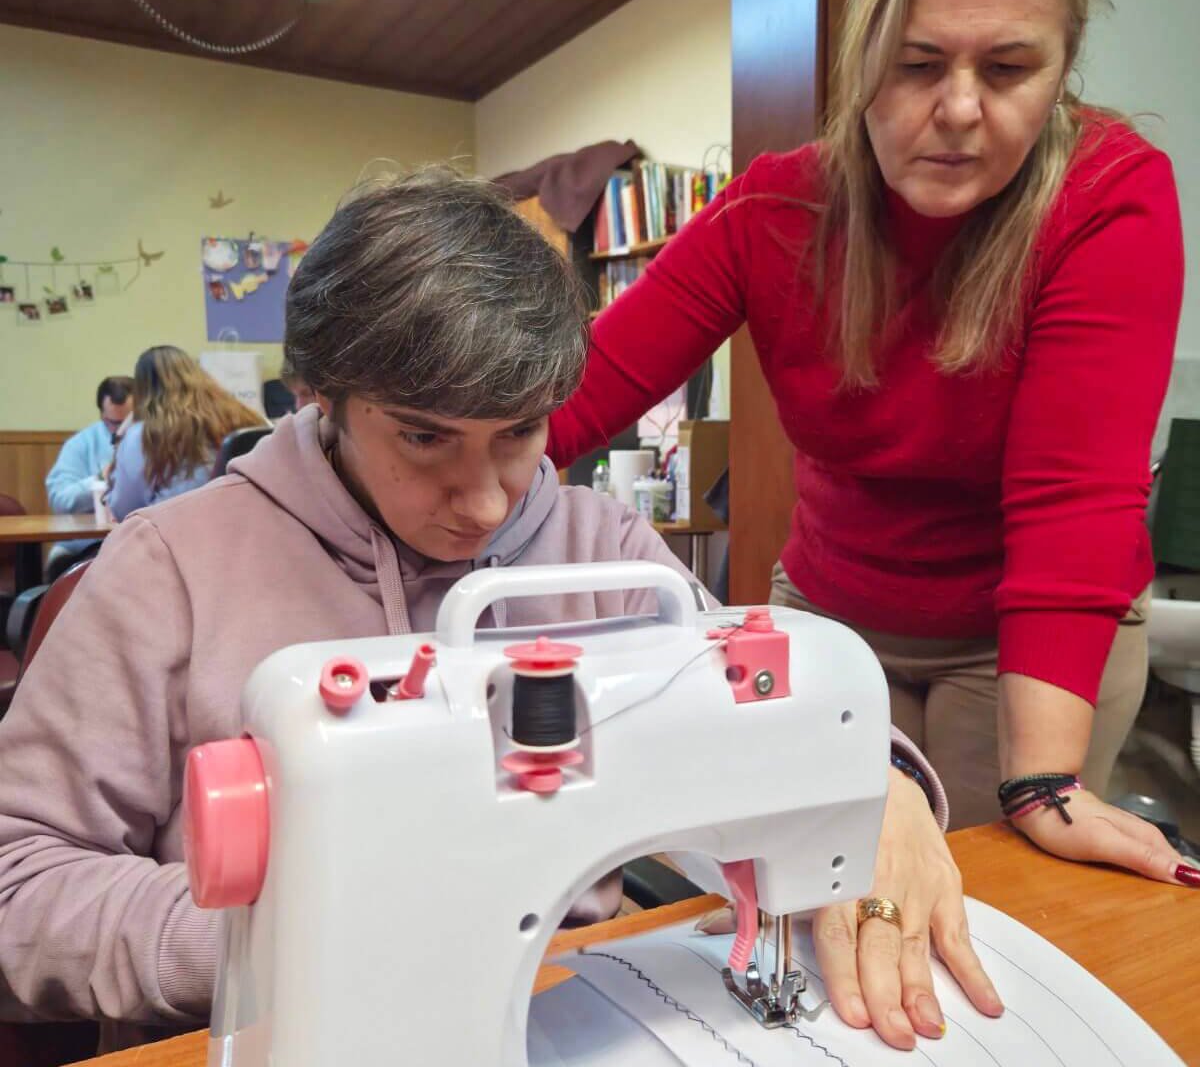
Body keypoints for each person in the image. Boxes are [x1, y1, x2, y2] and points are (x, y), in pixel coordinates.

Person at [0, 167, 960, 1053]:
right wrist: (265, 941)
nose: (492, 501)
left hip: (571, 1010)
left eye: (520, 434)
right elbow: (18, 877)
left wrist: (880, 778)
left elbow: (763, 697)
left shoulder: (605, 550)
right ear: (321, 396)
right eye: (425, 437)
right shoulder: (170, 571)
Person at [547, 0, 1195, 1049]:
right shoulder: (769, 216)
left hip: (1026, 643)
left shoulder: (1110, 199)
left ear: (1062, 70)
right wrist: (390, 448)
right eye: (917, 64)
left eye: (1009, 70)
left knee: (968, 946)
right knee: (812, 921)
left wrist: (1041, 785)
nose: (958, 109)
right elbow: (571, 398)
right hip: (833, 618)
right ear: (861, 62)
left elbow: (1074, 499)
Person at [106, 346, 262, 521]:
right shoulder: (244, 418)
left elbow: (124, 510)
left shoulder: (143, 435)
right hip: (246, 531)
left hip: (175, 538)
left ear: (142, 391)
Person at [43, 375, 134, 575]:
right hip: (82, 546)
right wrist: (101, 479)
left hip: (133, 542)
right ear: (102, 415)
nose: (121, 430)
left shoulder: (150, 444)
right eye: (113, 422)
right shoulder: (80, 445)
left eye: (128, 421)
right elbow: (60, 499)